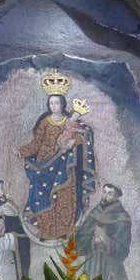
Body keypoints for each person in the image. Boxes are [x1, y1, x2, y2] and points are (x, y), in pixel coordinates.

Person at [18, 89, 97, 241]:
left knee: (64, 196)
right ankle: (46, 231)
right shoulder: (45, 122)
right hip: (45, 164)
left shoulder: (70, 121)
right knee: (42, 195)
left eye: (57, 103)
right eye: (51, 103)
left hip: (66, 165)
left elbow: (84, 133)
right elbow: (36, 143)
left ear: (63, 104)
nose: (54, 106)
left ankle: (64, 230)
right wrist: (23, 151)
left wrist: (75, 141)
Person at [75, 184, 133, 280]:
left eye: (109, 193)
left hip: (111, 267)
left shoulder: (122, 218)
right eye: (104, 192)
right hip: (92, 263)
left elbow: (123, 250)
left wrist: (106, 239)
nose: (105, 196)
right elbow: (81, 237)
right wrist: (91, 238)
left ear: (116, 196)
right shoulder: (95, 212)